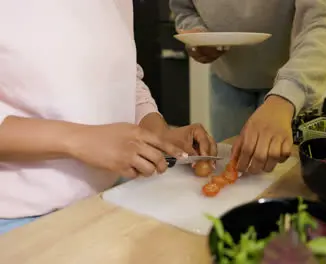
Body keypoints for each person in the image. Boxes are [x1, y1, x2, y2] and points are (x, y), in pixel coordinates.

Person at [0, 1, 216, 235]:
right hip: (20, 221)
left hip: (108, 200)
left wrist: (156, 132)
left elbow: (125, 76)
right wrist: (80, 140)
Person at [170, 0, 326, 174]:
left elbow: (323, 21)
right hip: (226, 79)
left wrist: (286, 96)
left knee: (287, 175)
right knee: (228, 166)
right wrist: (198, 34)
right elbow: (183, 9)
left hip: (294, 87)